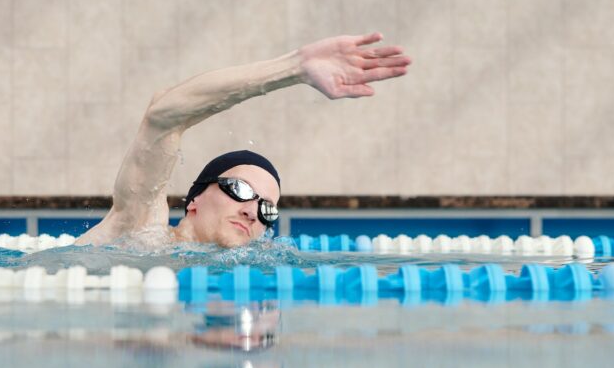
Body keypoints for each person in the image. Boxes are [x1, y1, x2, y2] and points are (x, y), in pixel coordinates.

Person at [76, 32, 411, 247]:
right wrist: (294, 69)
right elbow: (163, 116)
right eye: (240, 191)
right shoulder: (140, 232)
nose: (253, 212)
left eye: (267, 209)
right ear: (194, 199)